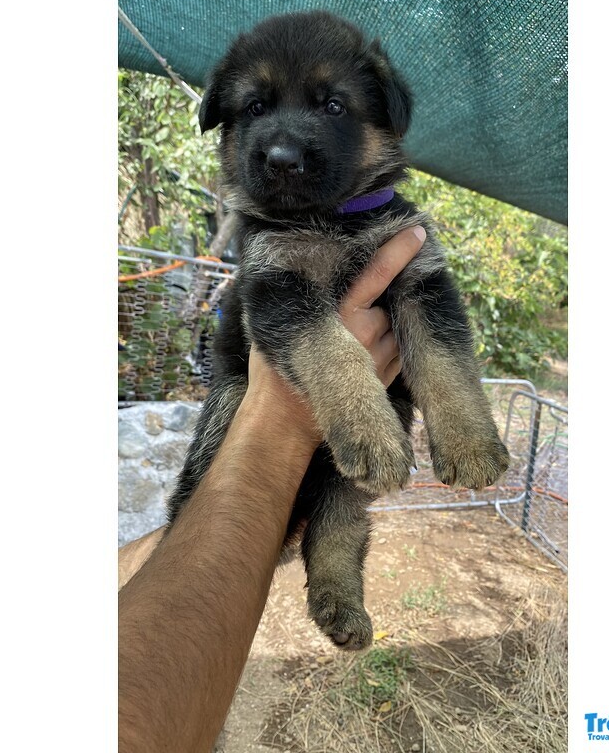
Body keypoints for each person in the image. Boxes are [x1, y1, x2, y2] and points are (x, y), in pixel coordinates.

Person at [118, 225, 427, 753]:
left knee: (340, 502)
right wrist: (284, 421)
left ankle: (329, 572)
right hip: (257, 389)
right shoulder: (274, 240)